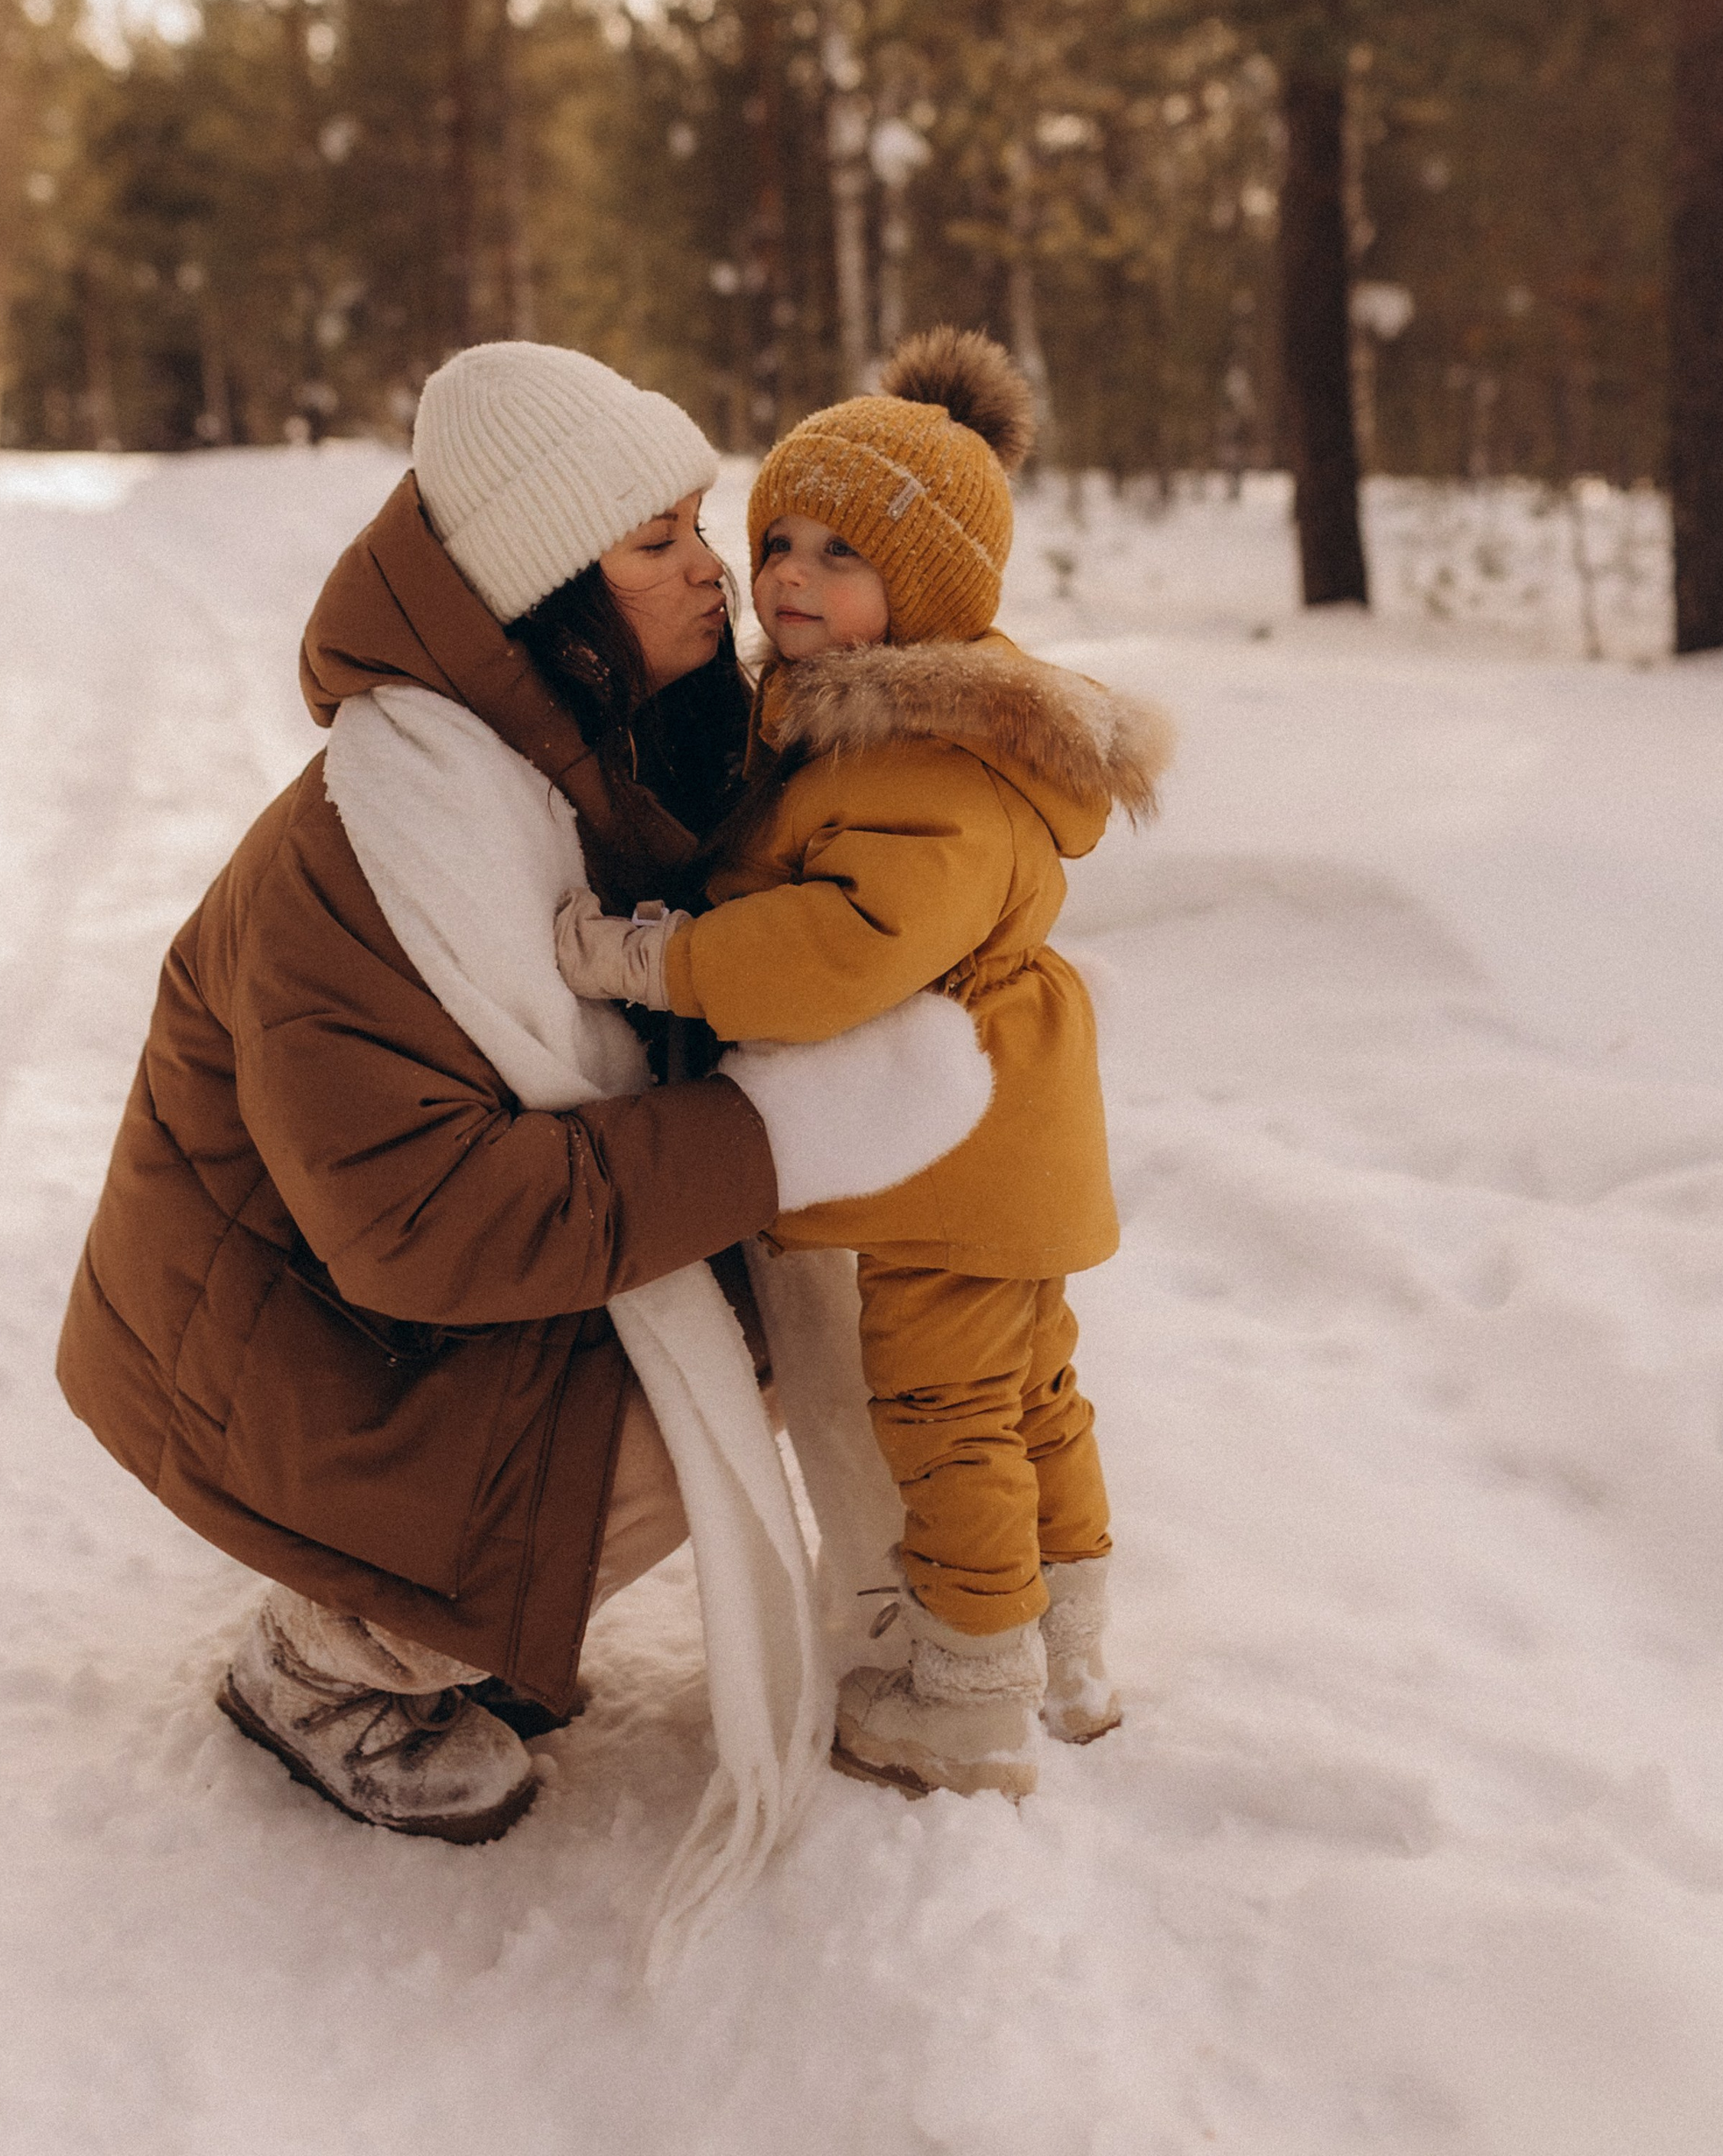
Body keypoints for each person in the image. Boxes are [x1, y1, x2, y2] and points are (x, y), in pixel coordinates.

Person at [57, 342, 787, 1847]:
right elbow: (422, 1225)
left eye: (698, 526)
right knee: (702, 1364)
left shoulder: (571, 749)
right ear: (547, 596)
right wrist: (772, 1142)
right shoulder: (388, 840)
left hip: (352, 1309)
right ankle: (331, 1662)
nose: (709, 575)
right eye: (656, 543)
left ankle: (458, 1597)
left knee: (738, 1308)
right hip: (285, 1346)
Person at [558, 328, 1172, 1800]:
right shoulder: (893, 723)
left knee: (948, 1411)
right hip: (997, 1140)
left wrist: (655, 959)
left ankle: (969, 1688)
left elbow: (844, 948)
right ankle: (1069, 1640)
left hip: (947, 1161)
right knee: (1031, 1392)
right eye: (776, 539)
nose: (785, 578)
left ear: (933, 591)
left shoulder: (927, 763)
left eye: (841, 553)